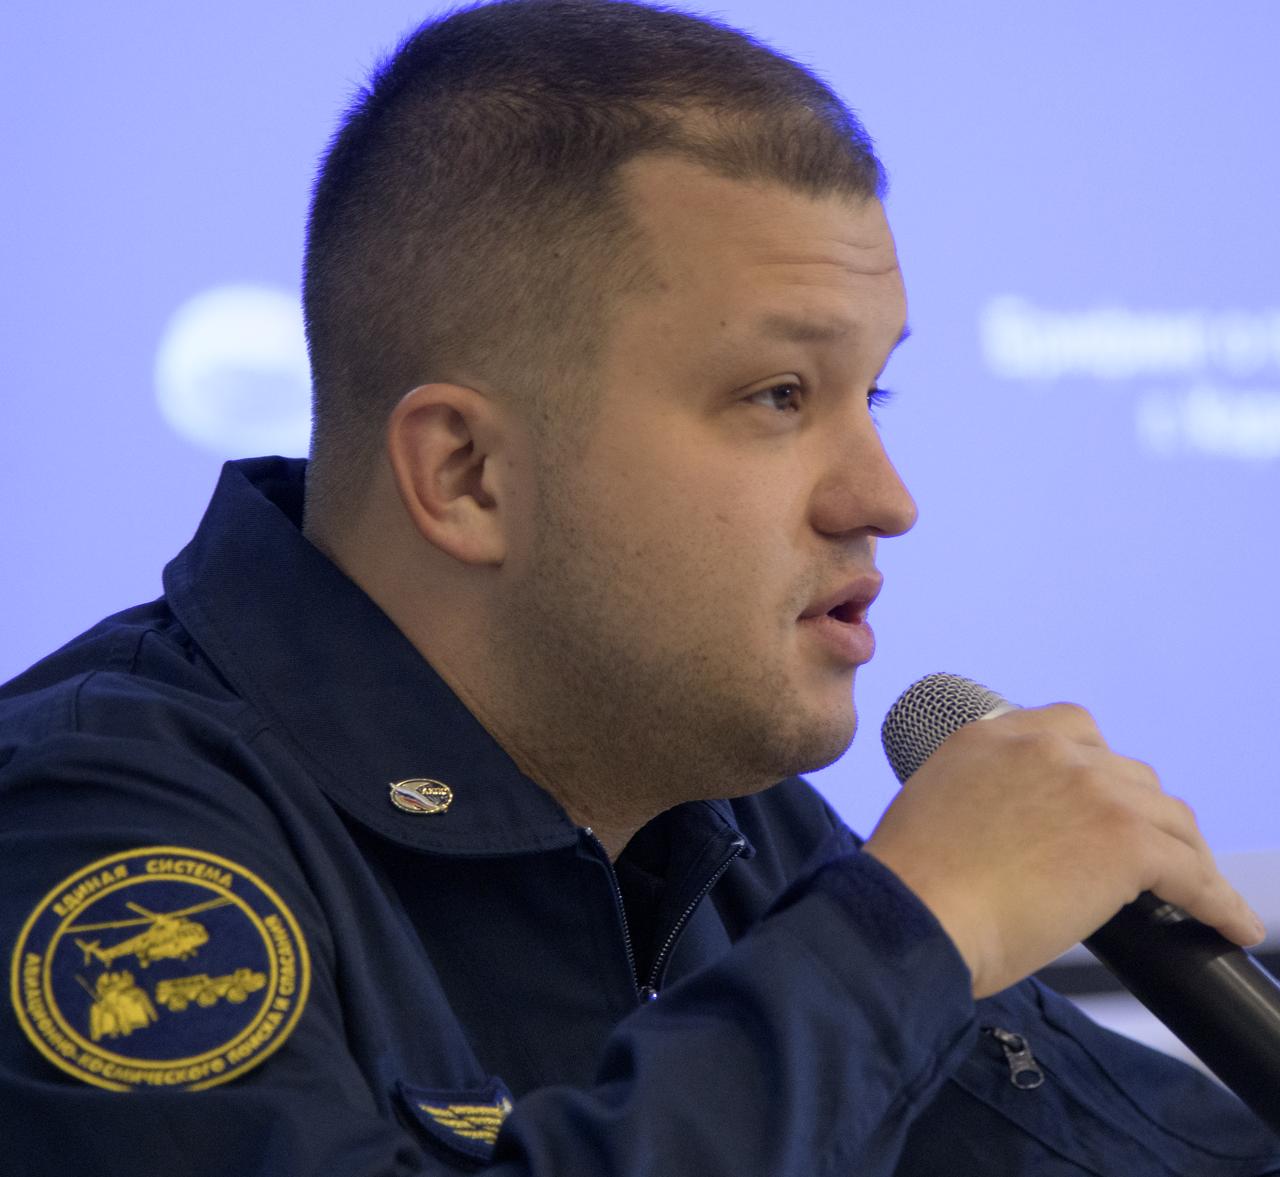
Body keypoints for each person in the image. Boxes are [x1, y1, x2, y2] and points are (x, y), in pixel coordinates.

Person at [2, 1, 1277, 1172]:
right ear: (468, 474)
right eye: (779, 396)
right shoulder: (87, 825)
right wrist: (914, 930)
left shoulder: (722, 814)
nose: (883, 498)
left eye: (870, 393)